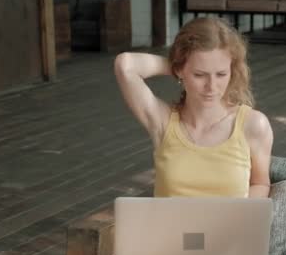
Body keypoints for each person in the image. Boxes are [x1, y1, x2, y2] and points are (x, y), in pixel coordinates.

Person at [114, 17, 273, 198]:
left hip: (229, 226)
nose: (211, 86)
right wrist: (177, 65)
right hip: (168, 226)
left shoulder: (253, 124)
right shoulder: (164, 122)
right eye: (199, 75)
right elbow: (125, 65)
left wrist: (239, 220)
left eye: (221, 74)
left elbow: (260, 183)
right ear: (180, 70)